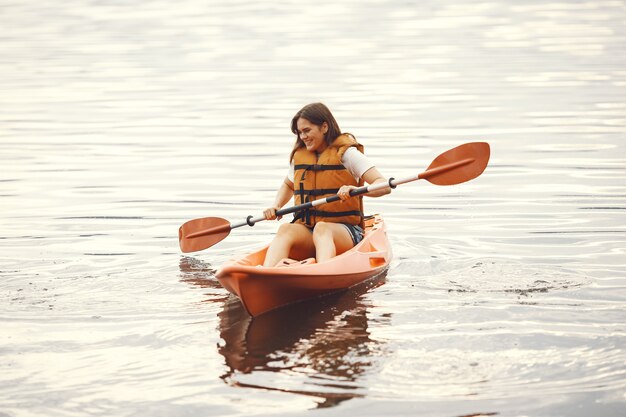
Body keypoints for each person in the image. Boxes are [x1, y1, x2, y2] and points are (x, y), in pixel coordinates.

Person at [262, 102, 390, 267]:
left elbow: (384, 186)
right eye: (300, 132)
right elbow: (288, 185)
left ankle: (322, 270)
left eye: (307, 131)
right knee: (285, 229)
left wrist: (357, 190)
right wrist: (276, 205)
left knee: (323, 228)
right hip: (309, 230)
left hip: (345, 232)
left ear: (324, 127)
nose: (303, 137)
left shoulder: (348, 154)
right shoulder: (300, 157)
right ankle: (268, 273)